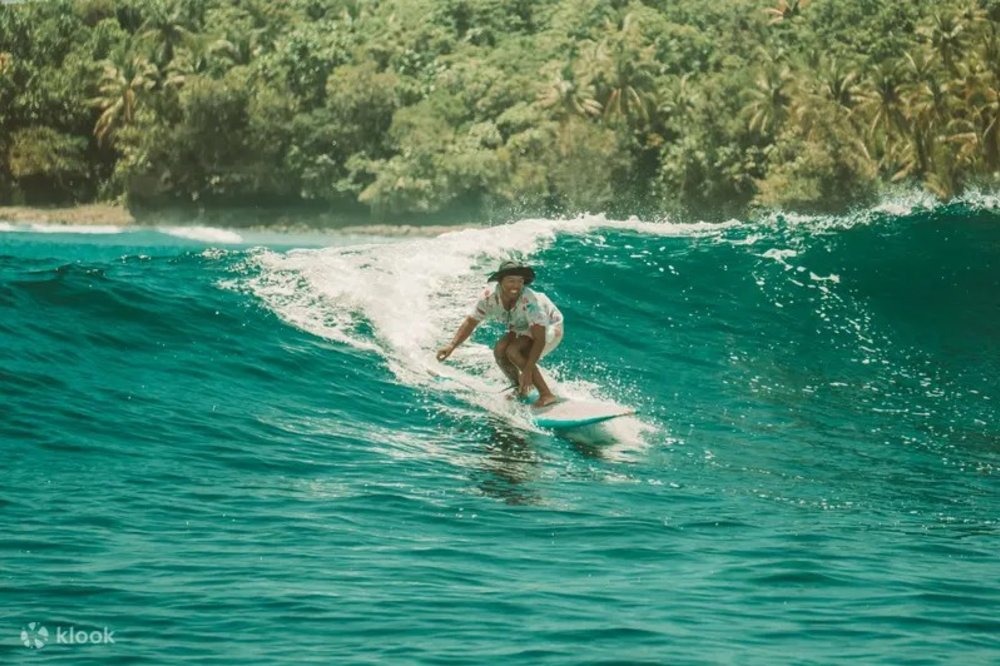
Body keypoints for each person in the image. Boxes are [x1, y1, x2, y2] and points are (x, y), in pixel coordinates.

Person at [437, 260, 564, 408]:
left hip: (550, 328)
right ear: (500, 281)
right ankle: (520, 389)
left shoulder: (530, 301)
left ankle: (546, 395)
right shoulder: (488, 298)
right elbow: (471, 322)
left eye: (520, 281)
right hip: (521, 326)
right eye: (511, 281)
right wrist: (452, 346)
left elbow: (540, 339)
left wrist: (527, 371)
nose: (516, 286)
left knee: (513, 351)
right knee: (499, 349)